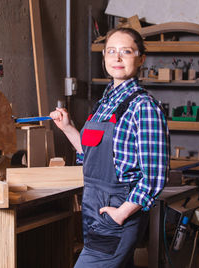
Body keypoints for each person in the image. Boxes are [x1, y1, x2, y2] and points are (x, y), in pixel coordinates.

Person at [50, 27, 170, 267]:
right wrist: (67, 128)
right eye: (111, 51)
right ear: (104, 56)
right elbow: (91, 154)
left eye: (126, 51)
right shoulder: (105, 103)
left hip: (117, 209)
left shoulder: (143, 107)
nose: (117, 58)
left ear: (141, 58)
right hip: (94, 203)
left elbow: (155, 176)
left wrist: (121, 214)